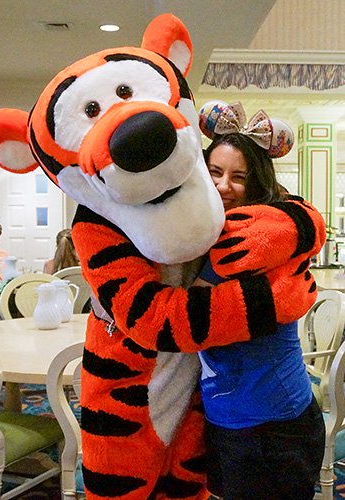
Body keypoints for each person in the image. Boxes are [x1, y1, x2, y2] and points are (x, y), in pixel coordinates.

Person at [191, 101, 325, 500]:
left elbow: (193, 317)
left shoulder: (261, 240)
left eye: (238, 177)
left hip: (276, 423)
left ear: (257, 182)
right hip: (224, 416)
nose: (222, 185)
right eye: (214, 172)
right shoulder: (202, 236)